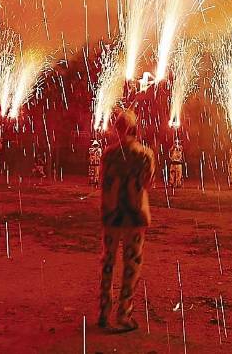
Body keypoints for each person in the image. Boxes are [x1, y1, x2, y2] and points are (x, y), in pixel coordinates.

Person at [98, 109, 155, 332]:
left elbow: (103, 180)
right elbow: (147, 182)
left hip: (111, 214)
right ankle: (124, 314)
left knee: (108, 263)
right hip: (134, 215)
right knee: (131, 265)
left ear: (117, 128)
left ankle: (103, 312)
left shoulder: (107, 153)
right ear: (134, 129)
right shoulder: (145, 154)